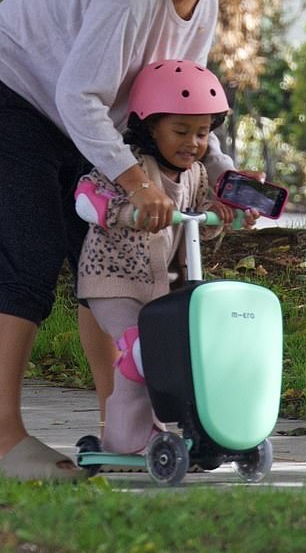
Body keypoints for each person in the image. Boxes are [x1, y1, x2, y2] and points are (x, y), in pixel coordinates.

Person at [0, 0, 271, 480]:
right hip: (1, 91)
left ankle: (121, 427)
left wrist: (224, 174)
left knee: (104, 260)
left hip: (72, 111)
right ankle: (0, 438)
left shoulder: (198, 3)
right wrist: (132, 178)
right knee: (31, 255)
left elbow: (176, 108)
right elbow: (77, 94)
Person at [75, 60, 245, 454]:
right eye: (181, 131)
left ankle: (197, 430)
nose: (193, 142)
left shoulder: (197, 174)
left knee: (187, 355)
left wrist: (219, 214)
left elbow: (198, 220)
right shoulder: (130, 167)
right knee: (139, 349)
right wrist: (128, 211)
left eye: (203, 133)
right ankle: (125, 436)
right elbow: (87, 195)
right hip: (113, 281)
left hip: (163, 286)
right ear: (151, 128)